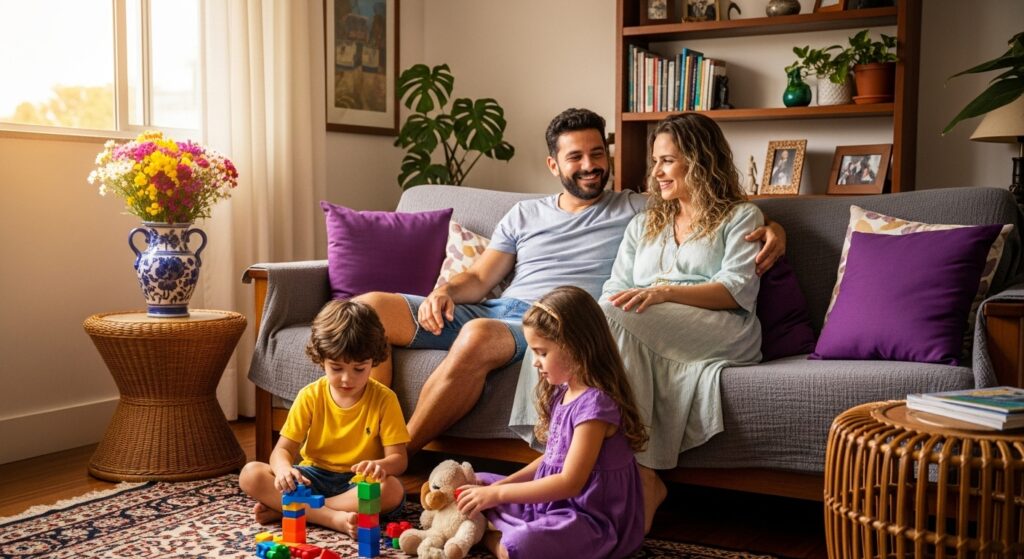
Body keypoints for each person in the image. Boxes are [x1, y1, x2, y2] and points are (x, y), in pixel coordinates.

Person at [352, 107, 786, 457]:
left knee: (478, 335)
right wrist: (442, 292)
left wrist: (774, 228)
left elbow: (710, 209)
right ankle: (361, 444)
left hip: (550, 320)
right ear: (553, 163)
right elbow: (482, 279)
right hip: (497, 307)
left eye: (597, 154)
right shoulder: (526, 214)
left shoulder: (634, 208)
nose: (590, 166)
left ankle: (397, 456)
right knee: (367, 310)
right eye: (575, 157)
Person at [601, 113, 765, 532]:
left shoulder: (741, 217)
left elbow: (735, 291)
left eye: (667, 161)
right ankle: (562, 459)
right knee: (566, 320)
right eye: (655, 162)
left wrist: (665, 292)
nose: (655, 172)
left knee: (616, 319)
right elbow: (615, 288)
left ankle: (643, 473)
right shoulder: (643, 223)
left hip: (724, 325)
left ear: (700, 160)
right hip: (648, 322)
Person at [456, 286, 647, 559]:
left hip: (588, 518)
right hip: (552, 504)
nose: (535, 362)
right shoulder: (564, 391)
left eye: (541, 352)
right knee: (476, 484)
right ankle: (490, 526)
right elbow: (550, 460)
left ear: (576, 346)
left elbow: (570, 482)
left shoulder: (595, 407)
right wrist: (501, 487)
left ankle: (490, 537)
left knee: (523, 544)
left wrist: (499, 497)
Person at [238, 300, 410, 538]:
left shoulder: (384, 399)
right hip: (313, 477)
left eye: (359, 369)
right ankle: (328, 517)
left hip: (357, 483)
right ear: (321, 359)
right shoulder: (310, 396)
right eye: (336, 368)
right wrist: (284, 470)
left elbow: (399, 459)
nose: (347, 379)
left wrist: (381, 465)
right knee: (250, 473)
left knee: (390, 490)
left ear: (374, 360)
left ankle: (293, 508)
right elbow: (282, 451)